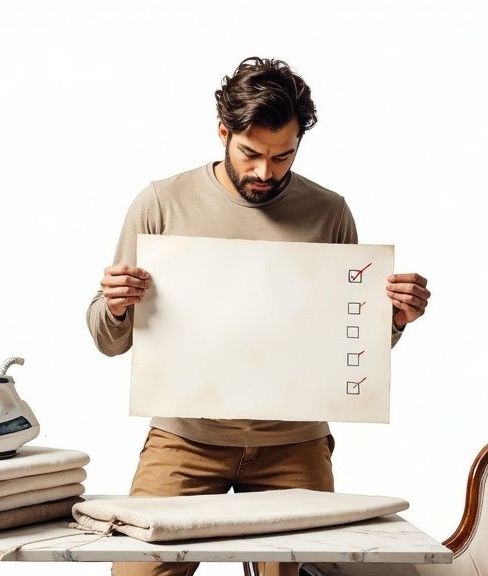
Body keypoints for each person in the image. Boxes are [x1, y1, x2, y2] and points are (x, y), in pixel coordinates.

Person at [86, 57, 431, 576]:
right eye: (250, 153)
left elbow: (347, 343)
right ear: (223, 133)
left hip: (293, 446)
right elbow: (108, 340)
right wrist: (115, 305)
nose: (265, 172)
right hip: (185, 439)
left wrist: (396, 319)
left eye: (282, 156)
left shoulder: (329, 212)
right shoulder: (162, 203)